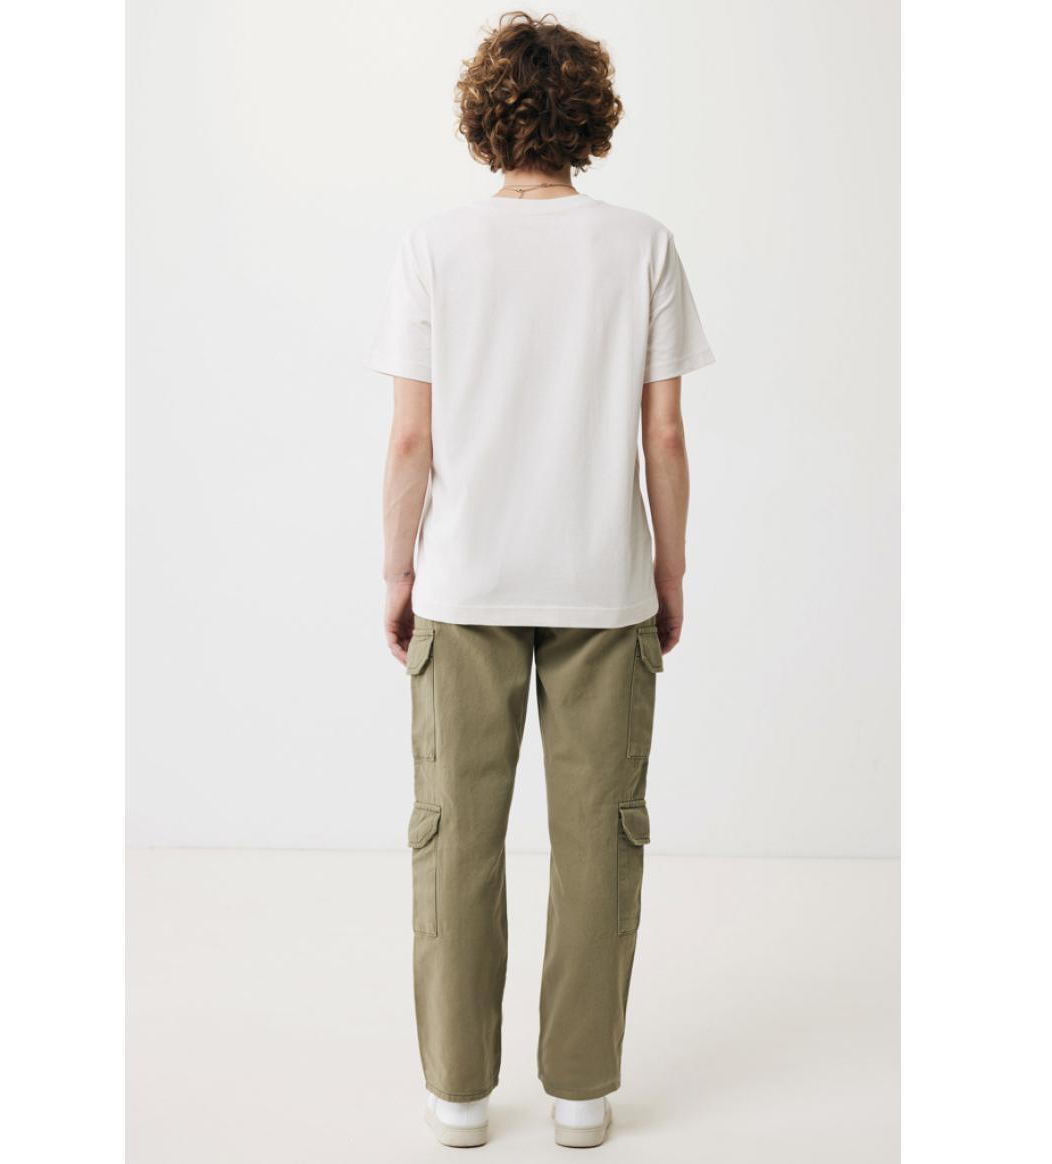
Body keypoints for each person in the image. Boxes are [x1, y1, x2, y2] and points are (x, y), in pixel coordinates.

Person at [369, 11, 713, 1149]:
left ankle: (460, 1095)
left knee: (455, 841)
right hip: (602, 585)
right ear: (592, 119)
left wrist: (396, 569)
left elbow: (409, 439)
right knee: (597, 845)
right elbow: (665, 435)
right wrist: (668, 568)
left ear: (483, 118)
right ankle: (580, 1093)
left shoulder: (433, 248)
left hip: (465, 582)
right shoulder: (643, 245)